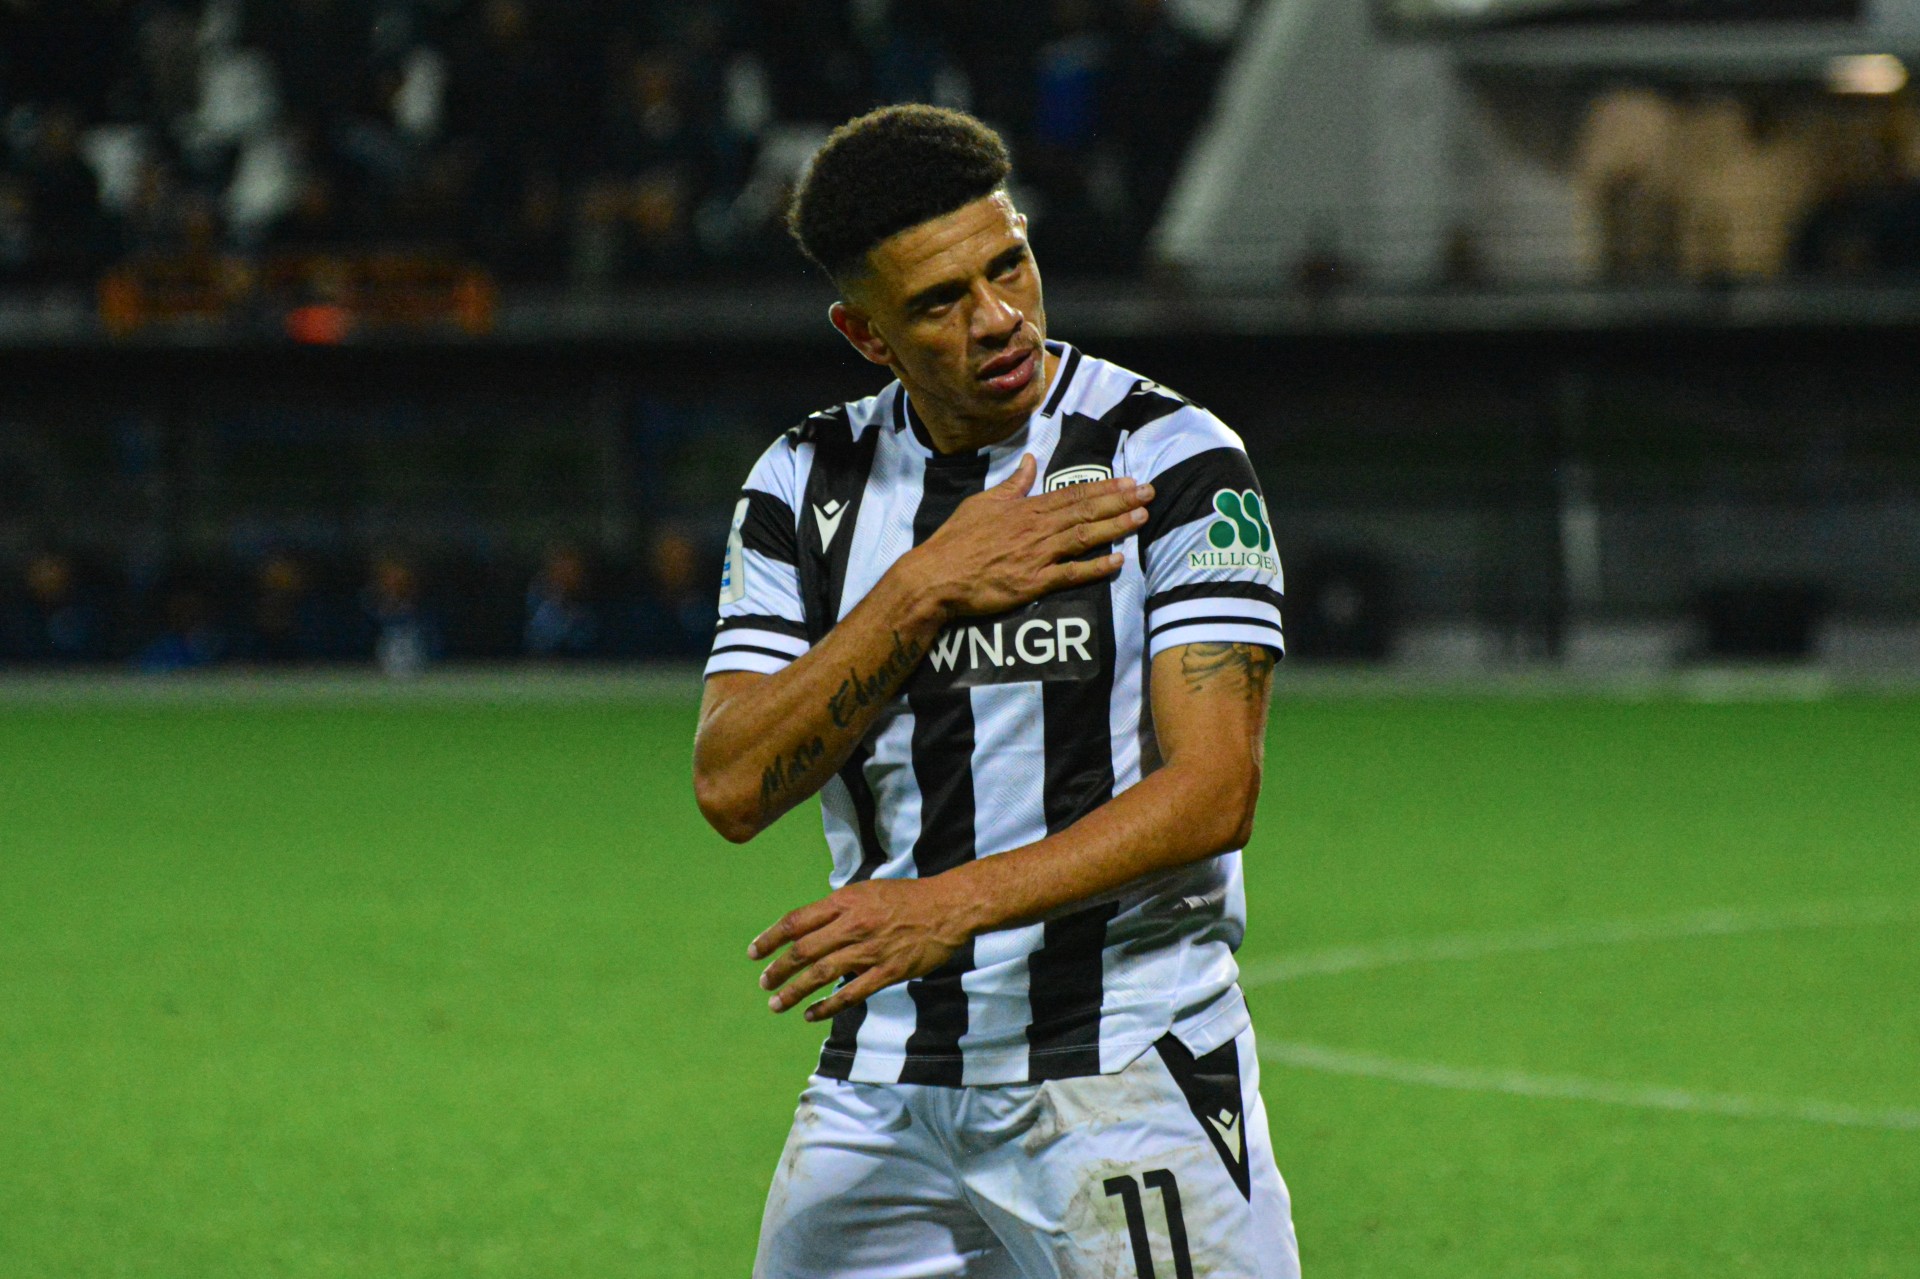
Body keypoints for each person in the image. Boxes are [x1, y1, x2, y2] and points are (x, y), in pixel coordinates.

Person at [691, 105, 1297, 1278]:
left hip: (1120, 1073)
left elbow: (1216, 790)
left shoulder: (1173, 460)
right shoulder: (803, 482)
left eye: (1007, 264)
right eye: (937, 302)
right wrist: (922, 586)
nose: (998, 318)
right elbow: (732, 783)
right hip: (883, 1091)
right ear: (864, 333)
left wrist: (949, 906)